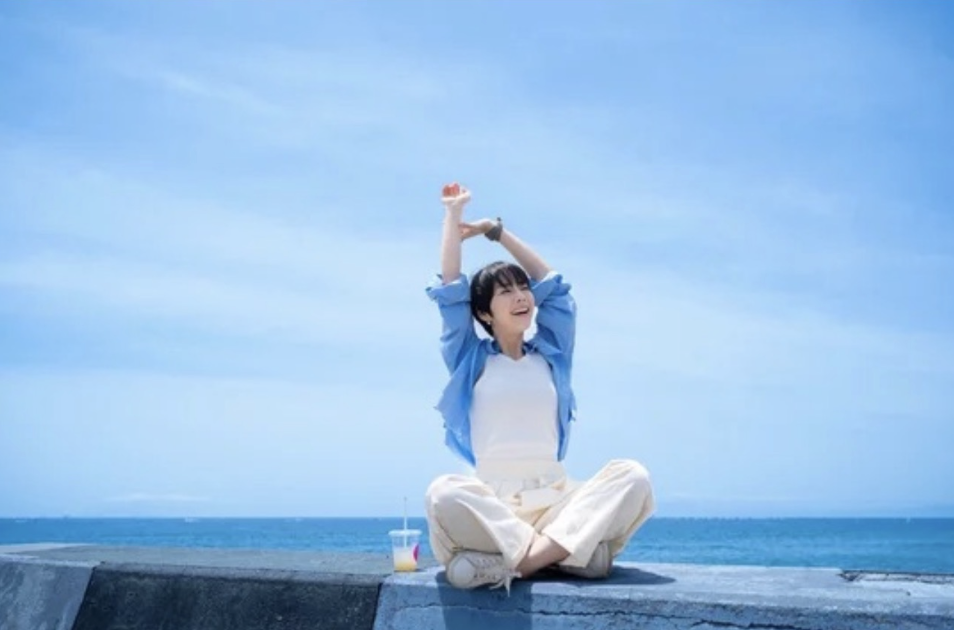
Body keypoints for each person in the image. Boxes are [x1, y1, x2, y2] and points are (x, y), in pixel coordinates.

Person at [424, 182, 656, 592]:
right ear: (484, 313)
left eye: (522, 288)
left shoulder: (552, 354)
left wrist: (496, 232)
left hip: (556, 502)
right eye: (505, 291)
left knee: (633, 476)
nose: (521, 297)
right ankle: (566, 555)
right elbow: (450, 290)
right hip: (494, 507)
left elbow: (554, 287)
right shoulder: (469, 358)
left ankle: (521, 562)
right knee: (443, 493)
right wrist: (453, 215)